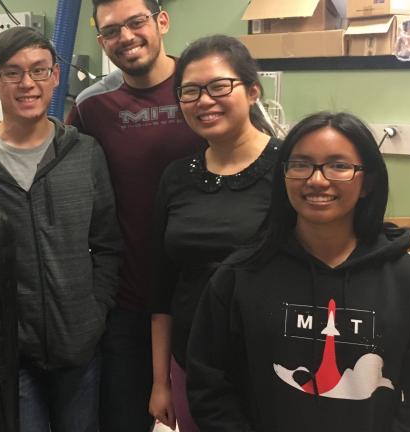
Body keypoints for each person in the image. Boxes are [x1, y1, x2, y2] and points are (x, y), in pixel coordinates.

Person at [186, 111, 410, 431]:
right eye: (301, 164)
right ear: (284, 176)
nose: (317, 179)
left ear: (367, 181)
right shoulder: (239, 276)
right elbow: (209, 385)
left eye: (339, 166)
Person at [0, 27, 123, 432]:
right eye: (12, 73)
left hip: (79, 344)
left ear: (56, 76)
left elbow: (108, 244)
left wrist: (95, 313)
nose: (27, 84)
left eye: (39, 71)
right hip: (9, 350)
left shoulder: (84, 153)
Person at [66, 1, 203, 429]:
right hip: (130, 303)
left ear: (161, 21)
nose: (125, 37)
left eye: (136, 22)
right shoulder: (92, 108)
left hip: (207, 298)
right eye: (110, 31)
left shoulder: (204, 85)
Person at [149, 35, 280, 431]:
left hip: (276, 367)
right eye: (190, 91)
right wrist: (161, 381)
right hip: (193, 366)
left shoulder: (289, 170)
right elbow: (162, 286)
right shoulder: (176, 177)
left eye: (220, 86)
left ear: (253, 90)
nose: (205, 101)